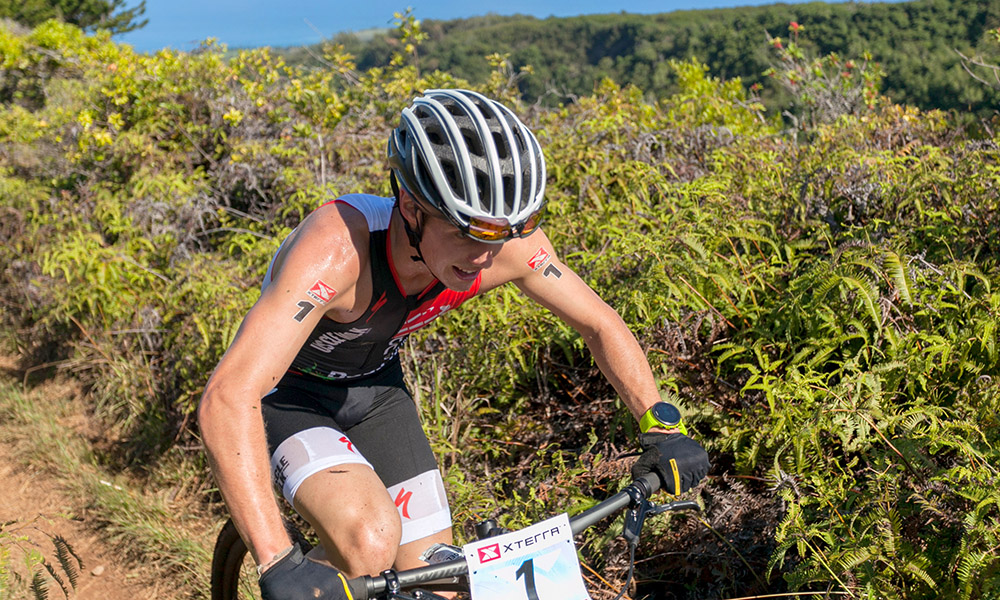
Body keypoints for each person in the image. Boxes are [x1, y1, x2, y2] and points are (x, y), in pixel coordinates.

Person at [198, 88, 711, 600]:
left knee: (437, 583)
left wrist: (661, 425)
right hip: (289, 395)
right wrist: (278, 560)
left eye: (499, 237)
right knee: (368, 541)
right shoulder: (338, 250)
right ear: (410, 206)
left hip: (376, 391)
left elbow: (598, 322)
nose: (484, 257)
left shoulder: (506, 246)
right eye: (468, 234)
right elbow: (228, 395)